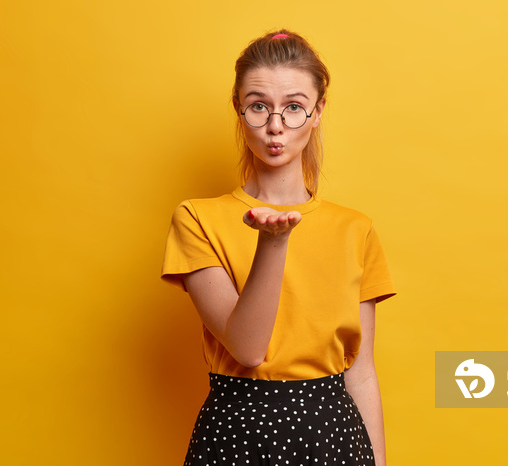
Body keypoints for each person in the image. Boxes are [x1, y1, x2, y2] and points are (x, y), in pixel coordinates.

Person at [161, 29, 396, 466]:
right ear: (238, 108)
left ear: (318, 111)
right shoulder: (196, 219)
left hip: (335, 436)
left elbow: (361, 373)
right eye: (258, 107)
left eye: (293, 108)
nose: (275, 126)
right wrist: (273, 243)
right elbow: (248, 349)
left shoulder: (355, 230)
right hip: (237, 434)